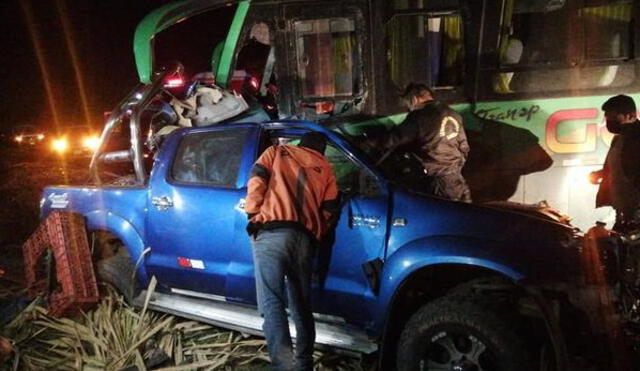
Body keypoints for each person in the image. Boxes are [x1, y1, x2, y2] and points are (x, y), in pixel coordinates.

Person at [245, 132, 339, 371]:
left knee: (272, 303)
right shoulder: (326, 168)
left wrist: (253, 214)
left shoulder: (276, 152)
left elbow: (257, 179)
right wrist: (316, 232)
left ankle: (283, 366)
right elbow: (330, 209)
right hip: (304, 241)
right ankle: (303, 364)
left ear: (301, 143)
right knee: (301, 306)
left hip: (272, 233)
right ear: (322, 150)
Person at [370, 83, 471, 202]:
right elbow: (464, 148)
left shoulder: (419, 117)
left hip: (436, 183)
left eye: (407, 105)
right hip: (456, 180)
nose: (408, 109)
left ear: (414, 99)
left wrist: (368, 143)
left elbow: (393, 139)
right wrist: (453, 168)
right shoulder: (453, 114)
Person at [590, 94, 640, 232]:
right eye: (607, 118)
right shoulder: (617, 140)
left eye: (614, 117)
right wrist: (600, 174)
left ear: (630, 115)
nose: (609, 122)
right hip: (623, 213)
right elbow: (618, 167)